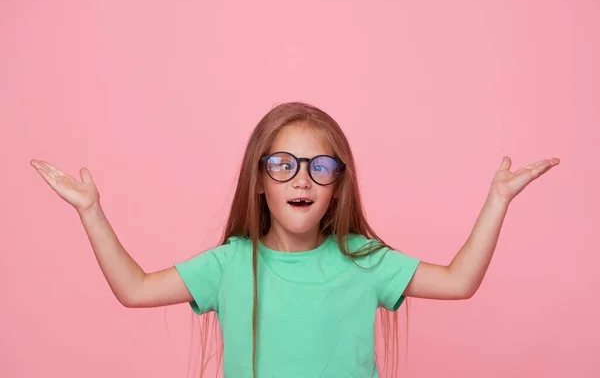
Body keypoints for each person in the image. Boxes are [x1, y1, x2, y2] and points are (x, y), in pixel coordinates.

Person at [30, 101, 560, 378]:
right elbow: (135, 287)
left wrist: (496, 201)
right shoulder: (228, 265)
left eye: (319, 166)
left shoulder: (365, 261)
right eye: (283, 165)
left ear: (338, 185)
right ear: (259, 181)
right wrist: (91, 211)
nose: (301, 179)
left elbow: (460, 280)